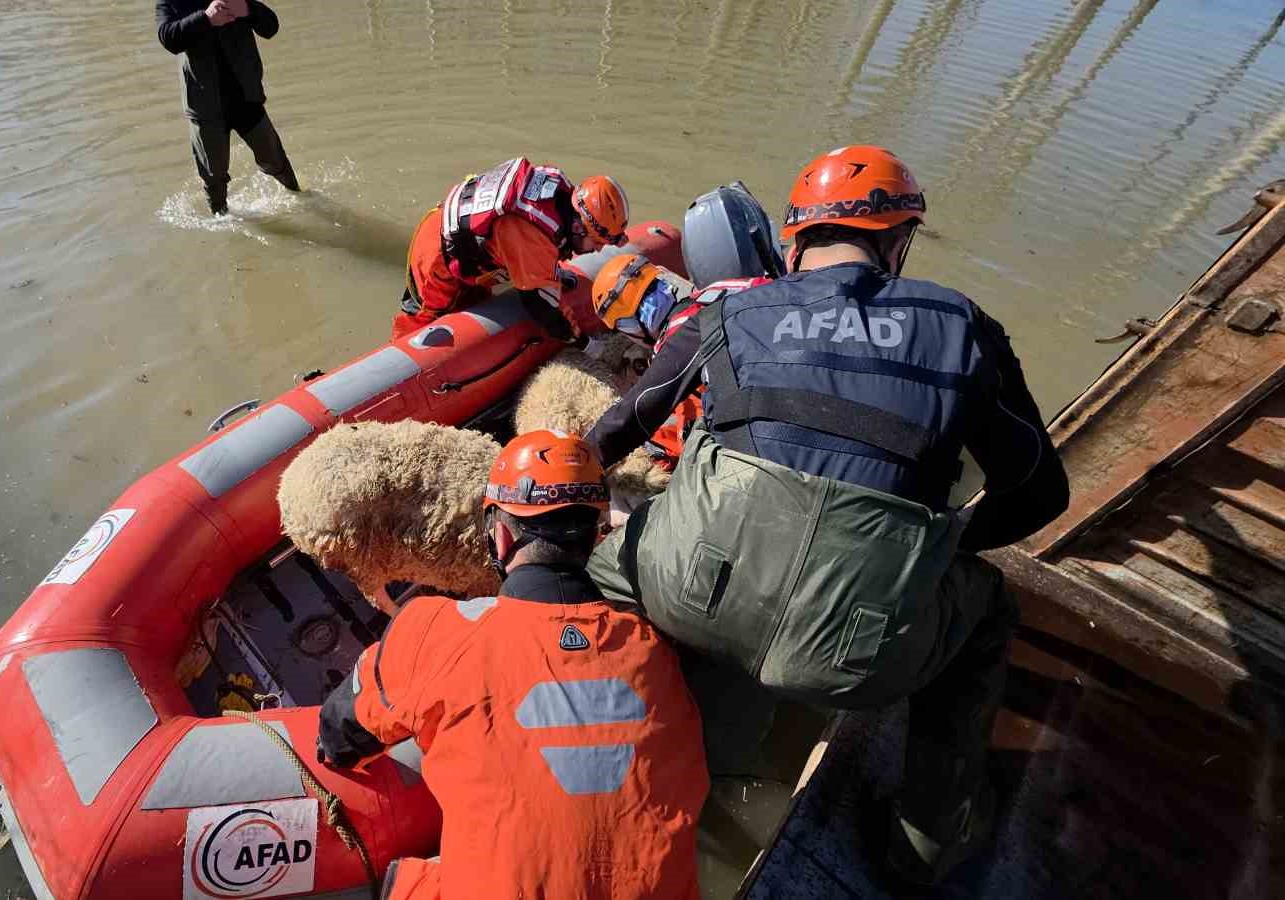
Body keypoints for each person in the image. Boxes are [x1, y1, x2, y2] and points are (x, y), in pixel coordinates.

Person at [584, 145, 1070, 886]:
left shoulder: (728, 312)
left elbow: (616, 431)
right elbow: (1039, 493)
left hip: (692, 590)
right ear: (897, 242)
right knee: (989, 609)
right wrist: (932, 553)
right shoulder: (962, 327)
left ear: (792, 242)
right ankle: (927, 844)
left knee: (597, 563)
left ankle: (577, 734)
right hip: (859, 652)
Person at [318, 430, 709, 900]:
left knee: (406, 881)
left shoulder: (433, 631)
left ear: (499, 534)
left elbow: (340, 737)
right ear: (596, 534)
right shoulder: (653, 649)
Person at [588, 184, 785, 468]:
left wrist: (586, 456)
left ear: (631, 327)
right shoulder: (729, 289)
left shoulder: (682, 340)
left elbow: (643, 413)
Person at [391, 159, 630, 340]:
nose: (599, 249)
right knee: (422, 325)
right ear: (578, 227)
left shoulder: (559, 188)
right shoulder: (535, 238)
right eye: (597, 242)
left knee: (476, 303)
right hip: (436, 257)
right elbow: (543, 309)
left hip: (465, 236)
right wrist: (580, 341)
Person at [155, 0, 300, 216]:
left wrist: (248, 8)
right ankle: (221, 220)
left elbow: (271, 27)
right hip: (205, 107)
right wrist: (206, 18)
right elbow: (168, 38)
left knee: (276, 160)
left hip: (247, 99)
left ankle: (305, 201)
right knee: (214, 179)